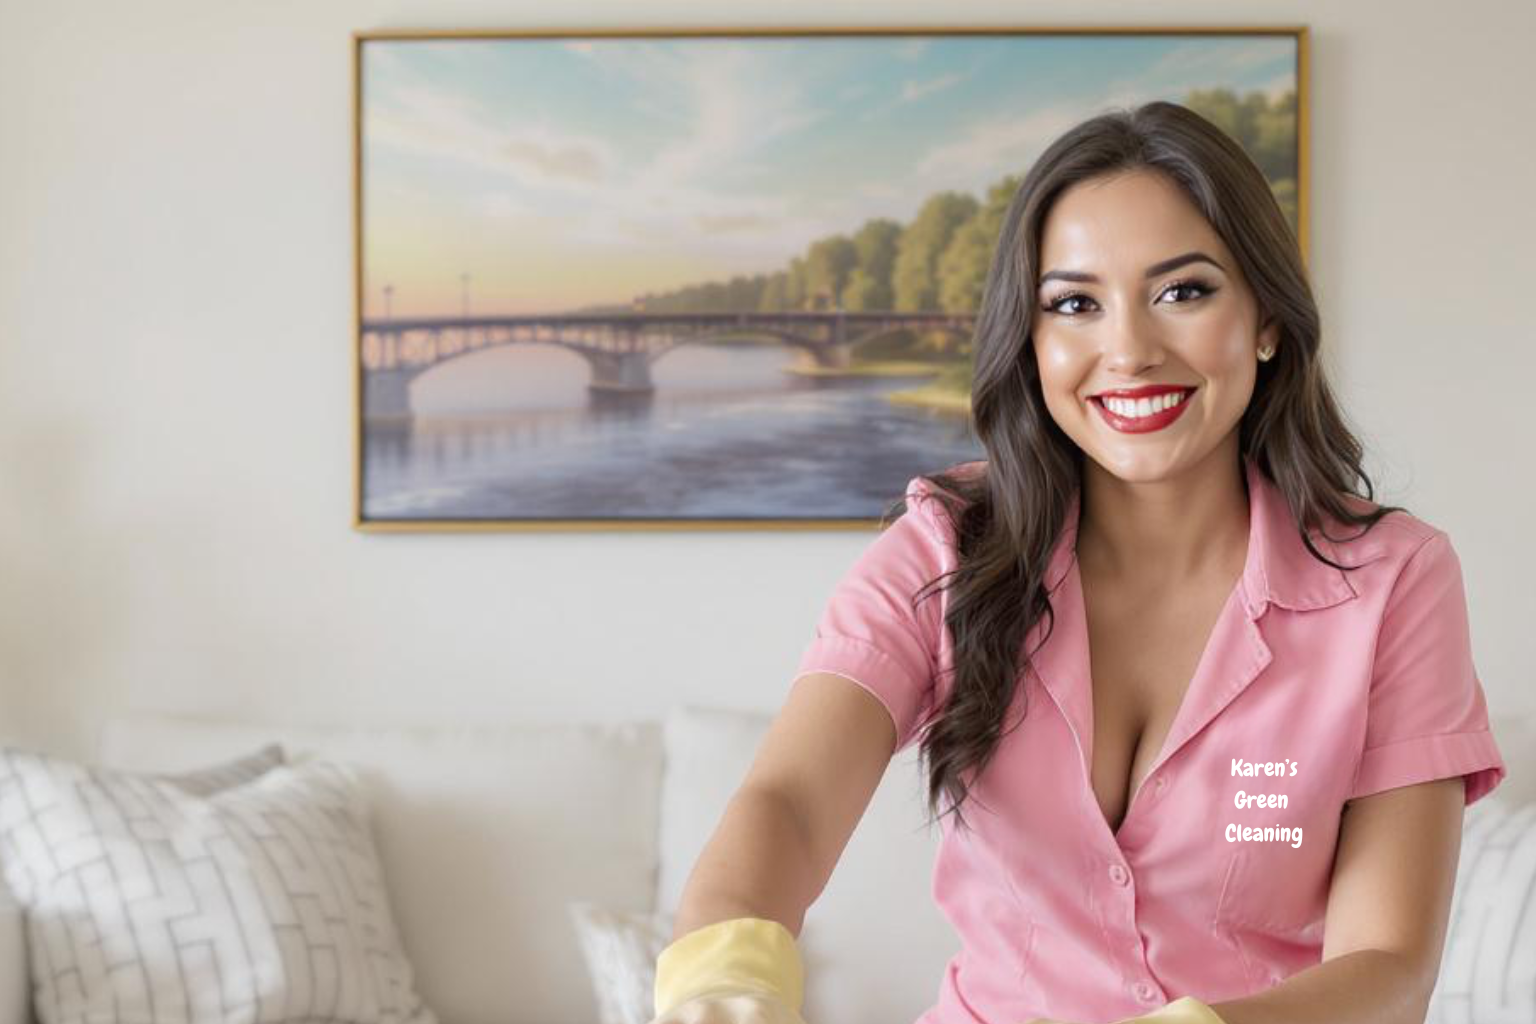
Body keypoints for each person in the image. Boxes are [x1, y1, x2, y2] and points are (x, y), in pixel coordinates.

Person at [647, 101, 1507, 1024]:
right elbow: (790, 804)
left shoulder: (1392, 581)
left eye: (1184, 291)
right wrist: (722, 985)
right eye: (1075, 304)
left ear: (1265, 319)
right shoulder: (945, 550)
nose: (1130, 352)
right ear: (1033, 339)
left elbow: (1389, 966)